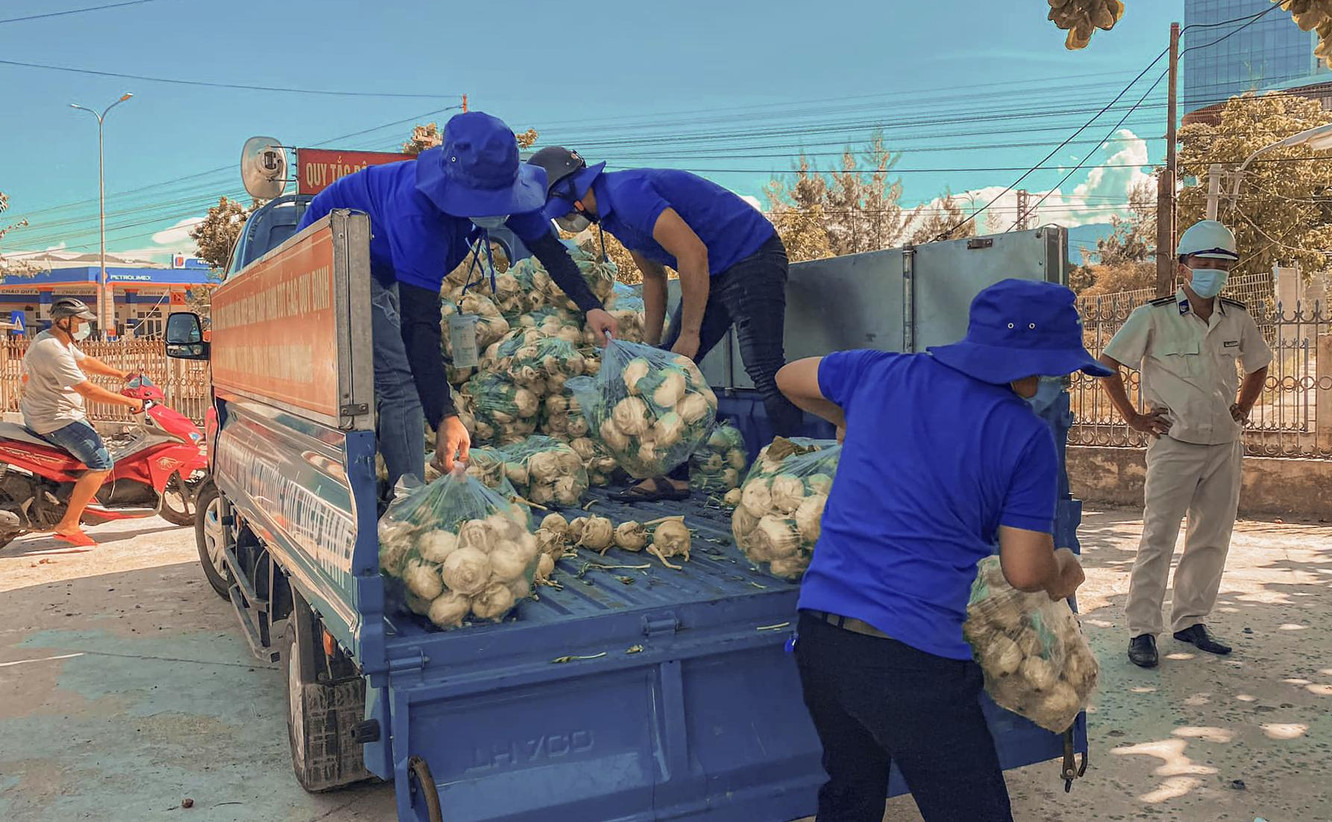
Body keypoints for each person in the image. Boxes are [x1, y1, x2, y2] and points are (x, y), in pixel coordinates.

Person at [774, 279, 1104, 822]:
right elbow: (1024, 571)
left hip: (820, 641)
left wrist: (851, 421)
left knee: (851, 795)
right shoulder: (1024, 437)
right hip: (910, 659)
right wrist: (1063, 570)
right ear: (1032, 363)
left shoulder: (881, 372)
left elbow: (790, 379)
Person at [298, 113, 619, 492]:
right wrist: (444, 417)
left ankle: (391, 471)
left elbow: (549, 249)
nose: (497, 207)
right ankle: (409, 499)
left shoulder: (508, 190)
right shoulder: (416, 211)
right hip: (329, 258)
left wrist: (590, 305)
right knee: (400, 378)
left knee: (391, 374)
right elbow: (419, 324)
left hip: (379, 265)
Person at [527, 146, 801, 501]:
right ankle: (671, 478)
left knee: (763, 366)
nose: (562, 220)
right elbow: (653, 279)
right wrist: (649, 350)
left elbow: (693, 254)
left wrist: (690, 333)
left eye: (558, 209)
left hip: (752, 256)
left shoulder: (628, 195)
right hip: (714, 271)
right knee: (664, 373)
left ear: (570, 193)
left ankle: (796, 472)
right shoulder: (612, 217)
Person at [1098, 220, 1272, 669]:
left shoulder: (1237, 317)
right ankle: (1141, 630)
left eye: (1221, 264)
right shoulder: (1152, 316)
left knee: (1211, 538)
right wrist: (1134, 418)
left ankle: (1191, 621)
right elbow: (1107, 362)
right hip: (1174, 443)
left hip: (1223, 446)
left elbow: (1257, 365)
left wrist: (1243, 407)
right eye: (1203, 263)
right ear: (1183, 267)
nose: (1212, 271)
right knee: (1158, 537)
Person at [21, 298, 143, 548]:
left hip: (49, 413)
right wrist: (129, 402)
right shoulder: (52, 349)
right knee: (102, 463)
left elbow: (85, 361)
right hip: (56, 419)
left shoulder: (57, 340)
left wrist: (122, 374)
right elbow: (87, 389)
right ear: (64, 321)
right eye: (80, 321)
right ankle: (69, 524)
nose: (84, 326)